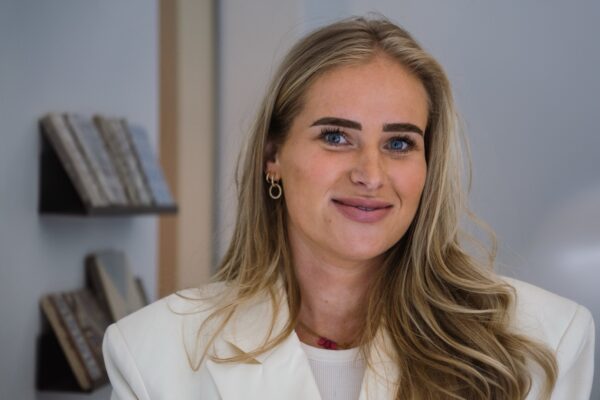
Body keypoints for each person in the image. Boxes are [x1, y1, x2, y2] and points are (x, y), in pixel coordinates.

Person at [103, 16, 595, 400]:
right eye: (336, 136)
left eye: (399, 143)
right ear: (273, 157)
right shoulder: (152, 352)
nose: (371, 174)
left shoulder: (545, 342)